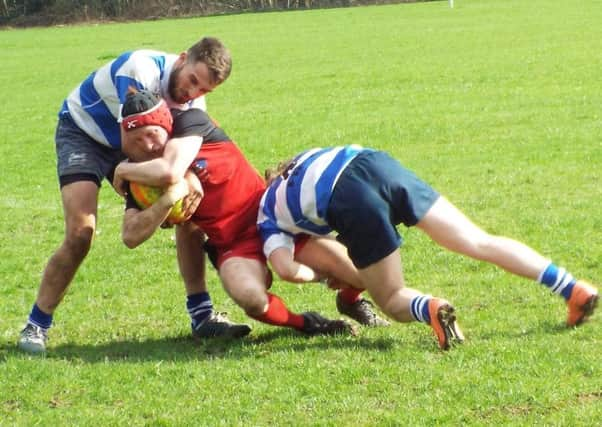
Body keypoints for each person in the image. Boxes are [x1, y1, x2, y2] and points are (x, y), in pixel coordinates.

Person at [18, 37, 250, 354]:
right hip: (83, 133)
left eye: (204, 91)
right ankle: (36, 325)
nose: (192, 93)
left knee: (189, 209)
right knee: (80, 233)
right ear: (182, 59)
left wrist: (187, 180)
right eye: (192, 80)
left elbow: (172, 155)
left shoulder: (194, 104)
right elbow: (133, 141)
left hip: (136, 145)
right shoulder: (140, 69)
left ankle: (201, 315)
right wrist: (168, 183)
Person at [258, 145, 599, 350]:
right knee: (477, 240)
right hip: (373, 162)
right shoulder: (303, 158)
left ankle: (430, 307)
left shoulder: (267, 214)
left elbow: (286, 269)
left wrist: (320, 274)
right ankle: (571, 287)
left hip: (348, 197)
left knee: (391, 299)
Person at [118, 89, 389, 336]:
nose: (148, 146)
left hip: (275, 218)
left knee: (363, 272)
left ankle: (350, 301)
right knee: (251, 298)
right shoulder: (141, 178)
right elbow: (130, 236)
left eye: (152, 134)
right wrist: (169, 199)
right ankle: (308, 323)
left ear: (166, 123)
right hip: (234, 245)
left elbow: (170, 170)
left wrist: (120, 170)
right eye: (137, 139)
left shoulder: (191, 121)